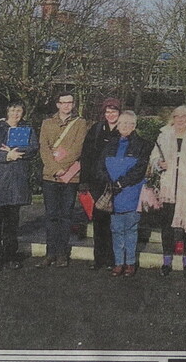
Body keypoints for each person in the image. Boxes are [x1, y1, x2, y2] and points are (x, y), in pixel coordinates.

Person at [0, 101, 37, 272]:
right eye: (12, 110)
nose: (16, 114)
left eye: (19, 111)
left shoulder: (28, 129)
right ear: (7, 111)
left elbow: (34, 148)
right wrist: (6, 156)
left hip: (16, 181)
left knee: (12, 222)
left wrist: (16, 151)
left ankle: (10, 256)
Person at [151, 105, 186, 276]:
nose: (180, 119)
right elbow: (154, 157)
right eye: (177, 116)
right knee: (167, 226)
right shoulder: (164, 135)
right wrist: (158, 163)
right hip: (169, 187)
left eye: (184, 116)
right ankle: (167, 262)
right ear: (173, 118)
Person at [38, 91, 88, 267]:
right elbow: (44, 148)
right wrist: (54, 168)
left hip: (70, 177)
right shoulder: (47, 123)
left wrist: (63, 167)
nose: (67, 105)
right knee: (51, 215)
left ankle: (62, 253)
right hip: (50, 176)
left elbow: (78, 148)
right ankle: (50, 252)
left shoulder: (80, 124)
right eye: (63, 102)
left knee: (66, 215)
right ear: (57, 104)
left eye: (70, 102)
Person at [98, 110, 150, 277]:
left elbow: (140, 169)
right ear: (118, 125)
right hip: (113, 192)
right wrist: (109, 182)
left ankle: (130, 263)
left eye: (129, 123)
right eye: (122, 123)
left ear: (134, 126)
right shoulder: (109, 144)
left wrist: (121, 182)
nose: (125, 126)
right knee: (116, 229)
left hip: (131, 191)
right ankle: (118, 262)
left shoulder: (143, 145)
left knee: (131, 229)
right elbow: (100, 166)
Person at [80, 97, 121, 270]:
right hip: (97, 181)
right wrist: (84, 181)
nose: (111, 115)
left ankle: (113, 259)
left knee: (114, 222)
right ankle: (99, 258)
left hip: (116, 182)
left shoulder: (124, 129)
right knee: (99, 221)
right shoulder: (96, 129)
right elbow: (86, 156)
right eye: (108, 112)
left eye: (114, 111)